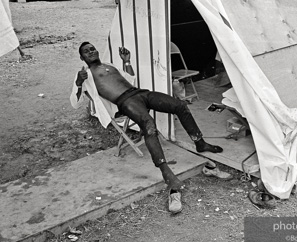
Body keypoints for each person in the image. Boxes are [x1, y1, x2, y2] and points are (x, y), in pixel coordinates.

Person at [70, 42, 226, 213]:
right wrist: (78, 83)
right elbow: (75, 103)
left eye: (92, 48)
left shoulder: (109, 65)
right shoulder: (86, 76)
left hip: (139, 93)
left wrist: (126, 61)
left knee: (179, 105)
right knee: (149, 126)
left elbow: (130, 79)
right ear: (82, 57)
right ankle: (167, 173)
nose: (91, 52)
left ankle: (200, 143)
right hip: (125, 101)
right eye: (86, 51)